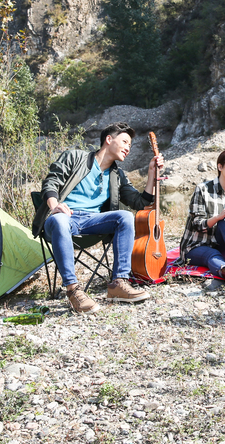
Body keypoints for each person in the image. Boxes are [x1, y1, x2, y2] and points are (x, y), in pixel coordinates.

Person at [31, 122, 165, 313]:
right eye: (125, 142)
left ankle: (119, 283)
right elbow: (51, 182)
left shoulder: (117, 175)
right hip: (64, 217)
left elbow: (140, 202)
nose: (128, 148)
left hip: (93, 221)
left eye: (130, 145)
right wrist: (55, 206)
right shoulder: (74, 157)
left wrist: (152, 173)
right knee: (60, 220)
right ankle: (73, 290)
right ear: (109, 139)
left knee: (125, 216)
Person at [175, 149, 225, 283]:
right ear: (220, 167)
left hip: (221, 246)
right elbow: (197, 224)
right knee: (213, 254)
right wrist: (218, 217)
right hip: (195, 246)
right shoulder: (202, 189)